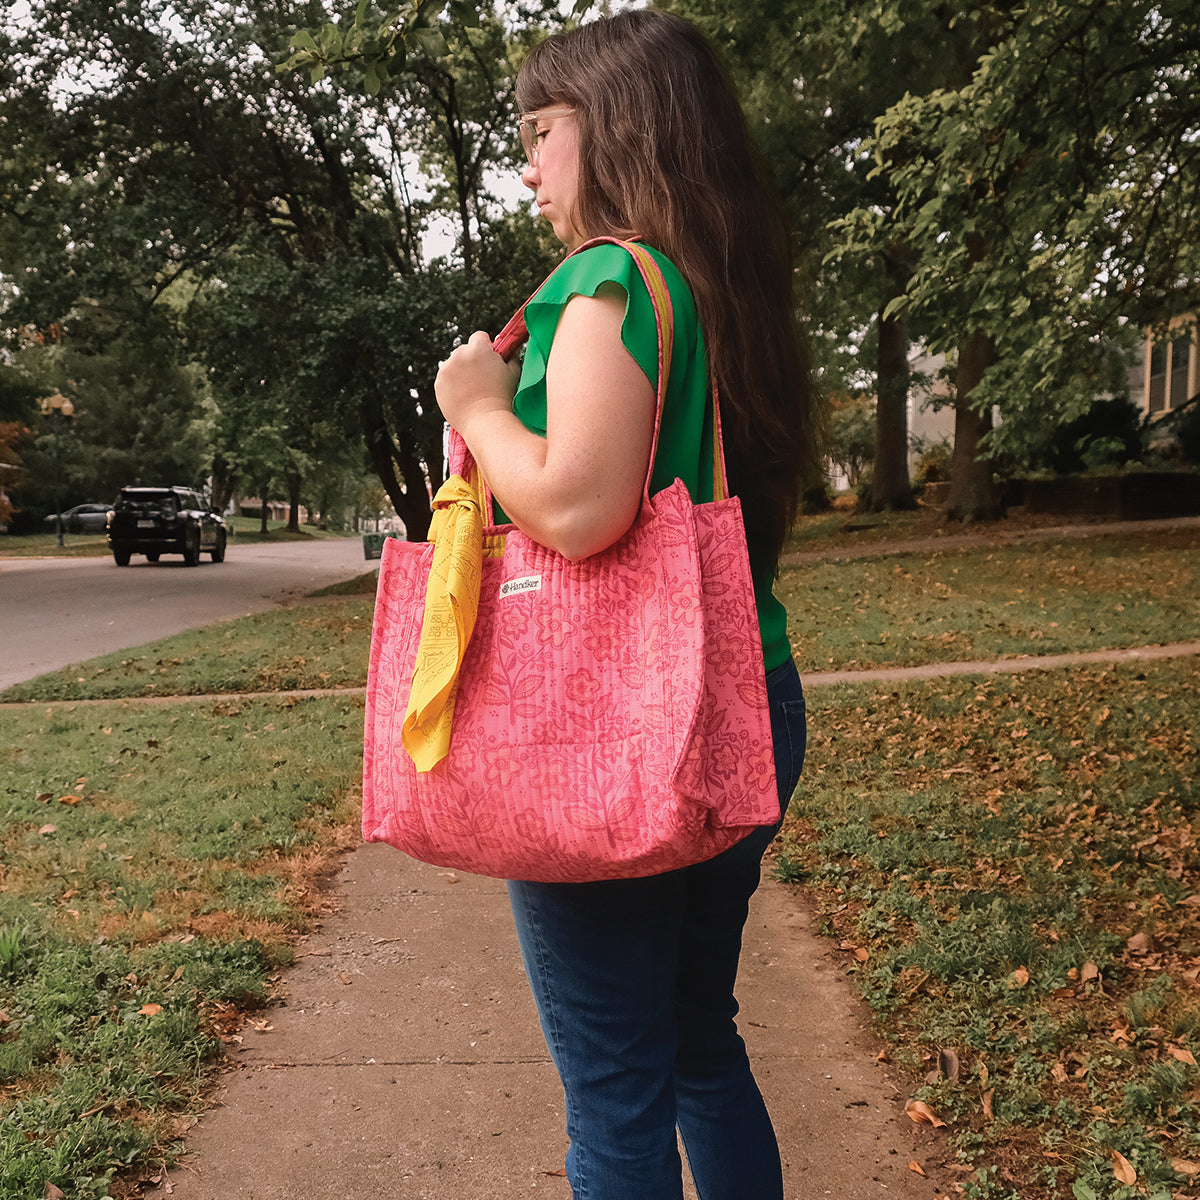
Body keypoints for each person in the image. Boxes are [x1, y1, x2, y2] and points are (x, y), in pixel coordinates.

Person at [434, 9, 820, 1198]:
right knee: (701, 1039)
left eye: (541, 131)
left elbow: (578, 508)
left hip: (610, 731)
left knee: (616, 1093)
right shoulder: (718, 289)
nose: (530, 164)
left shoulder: (605, 281)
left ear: (617, 126)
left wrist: (478, 407)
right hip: (741, 698)